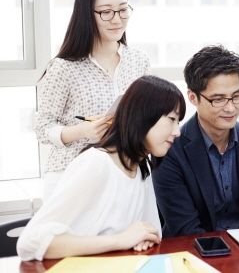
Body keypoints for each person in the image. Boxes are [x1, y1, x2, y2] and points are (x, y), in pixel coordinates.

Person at [17, 75, 186, 261]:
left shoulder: (140, 168)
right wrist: (121, 240)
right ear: (142, 116)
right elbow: (29, 242)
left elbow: (149, 231)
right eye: (171, 119)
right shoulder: (96, 163)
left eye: (178, 122)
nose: (177, 131)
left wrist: (142, 239)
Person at [35, 0, 150, 200]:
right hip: (72, 176)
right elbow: (42, 127)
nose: (117, 19)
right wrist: (83, 131)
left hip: (124, 172)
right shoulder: (63, 67)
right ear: (87, 15)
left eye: (123, 9)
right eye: (106, 12)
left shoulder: (139, 61)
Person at [152, 45, 239, 237]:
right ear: (193, 97)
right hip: (196, 253)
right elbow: (185, 230)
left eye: (236, 96)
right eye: (218, 99)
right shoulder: (170, 151)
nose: (231, 108)